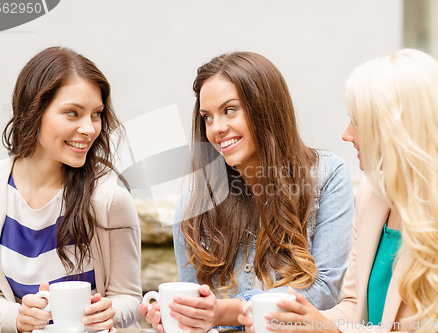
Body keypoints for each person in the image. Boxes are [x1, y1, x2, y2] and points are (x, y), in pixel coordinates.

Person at [242, 48, 438, 333]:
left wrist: (333, 332)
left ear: (396, 129)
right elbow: (355, 308)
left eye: (357, 122)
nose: (347, 134)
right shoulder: (372, 193)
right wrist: (304, 320)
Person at [140, 51, 354, 332]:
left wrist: (228, 311)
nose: (216, 128)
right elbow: (196, 306)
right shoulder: (193, 207)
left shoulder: (327, 177)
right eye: (207, 117)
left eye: (230, 110)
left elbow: (323, 290)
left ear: (265, 108)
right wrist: (183, 319)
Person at [0, 47, 142, 333]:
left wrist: (109, 312)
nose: (89, 129)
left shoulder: (109, 198)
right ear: (34, 111)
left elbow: (128, 297)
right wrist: (18, 318)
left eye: (96, 114)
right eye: (72, 113)